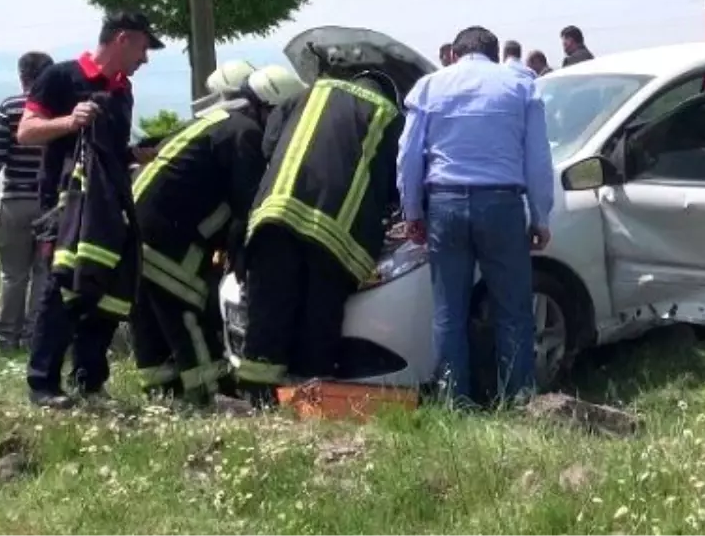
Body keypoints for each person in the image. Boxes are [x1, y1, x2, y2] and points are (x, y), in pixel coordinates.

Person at [130, 65, 306, 407]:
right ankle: (212, 395)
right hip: (165, 234)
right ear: (269, 107)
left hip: (141, 228)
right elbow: (249, 203)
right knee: (186, 307)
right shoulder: (245, 134)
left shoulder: (218, 121)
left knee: (151, 312)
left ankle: (164, 393)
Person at [397, 25, 554, 406]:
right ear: (496, 53)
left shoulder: (430, 87)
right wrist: (541, 216)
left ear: (453, 53)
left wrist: (413, 211)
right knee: (513, 311)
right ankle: (519, 400)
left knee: (449, 311)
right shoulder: (522, 86)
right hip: (501, 205)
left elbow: (408, 157)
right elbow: (537, 159)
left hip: (445, 205)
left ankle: (455, 402)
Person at [19, 10, 164, 408]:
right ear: (122, 39)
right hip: (62, 207)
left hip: (108, 206)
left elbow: (112, 152)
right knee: (60, 290)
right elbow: (27, 131)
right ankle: (42, 385)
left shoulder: (123, 91)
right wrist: (70, 120)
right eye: (143, 46)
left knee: (107, 291)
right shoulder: (60, 77)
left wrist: (137, 154)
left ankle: (89, 381)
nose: (145, 58)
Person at [234, 70, 404, 406]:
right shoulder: (388, 115)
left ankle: (256, 398)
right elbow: (392, 184)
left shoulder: (306, 93)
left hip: (275, 213)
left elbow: (269, 143)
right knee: (319, 314)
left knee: (268, 307)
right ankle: (307, 399)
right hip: (336, 230)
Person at [0, 52, 53, 352]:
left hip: (16, 200)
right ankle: (35, 335)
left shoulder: (10, 107)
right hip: (50, 204)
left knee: (13, 273)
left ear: (22, 76)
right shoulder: (60, 110)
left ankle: (6, 339)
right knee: (44, 271)